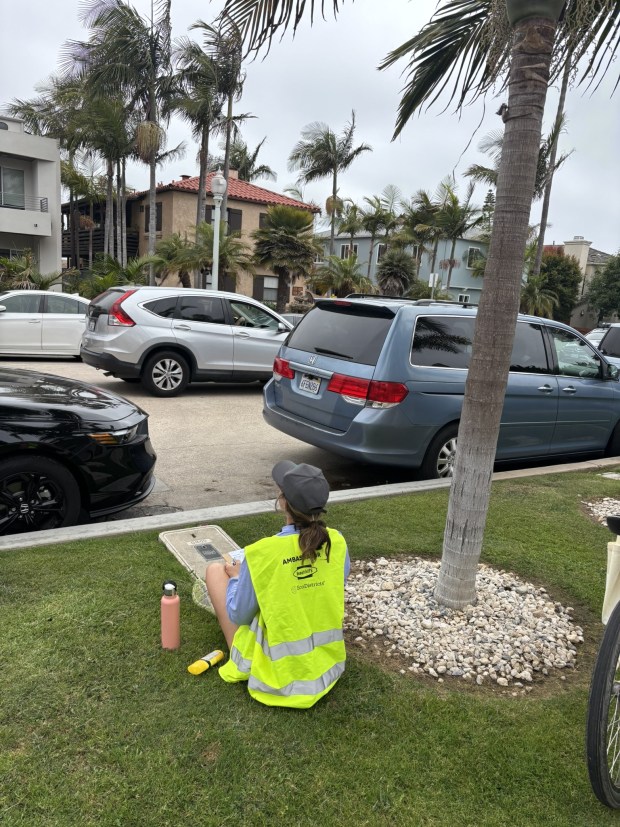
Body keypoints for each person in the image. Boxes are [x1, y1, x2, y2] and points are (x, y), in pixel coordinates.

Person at [205, 460, 350, 709]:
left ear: (282, 502)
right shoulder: (337, 541)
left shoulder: (262, 553)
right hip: (327, 667)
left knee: (215, 570)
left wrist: (237, 577)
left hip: (276, 675)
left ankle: (240, 655)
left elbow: (239, 615)